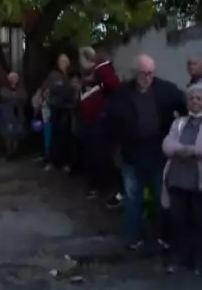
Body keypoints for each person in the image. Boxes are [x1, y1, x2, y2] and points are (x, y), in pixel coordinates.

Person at [108, 54, 187, 251]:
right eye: (143, 73)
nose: (147, 77)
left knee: (161, 198)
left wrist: (179, 133)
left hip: (158, 153)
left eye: (150, 73)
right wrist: (116, 145)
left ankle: (162, 236)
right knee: (133, 198)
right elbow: (110, 120)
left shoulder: (165, 89)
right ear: (135, 73)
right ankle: (134, 237)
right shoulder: (122, 93)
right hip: (132, 154)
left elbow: (185, 107)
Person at [161, 82, 202, 271]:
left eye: (199, 98)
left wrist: (191, 151)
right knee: (178, 219)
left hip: (201, 181)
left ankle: (200, 260)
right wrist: (182, 150)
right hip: (178, 178)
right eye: (191, 98)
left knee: (201, 221)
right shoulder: (179, 122)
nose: (194, 102)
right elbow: (167, 144)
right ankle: (180, 258)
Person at [78, 46, 120, 198]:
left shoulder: (103, 71)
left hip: (99, 121)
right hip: (90, 119)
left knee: (100, 154)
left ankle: (103, 186)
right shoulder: (92, 74)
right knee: (93, 153)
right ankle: (97, 184)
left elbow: (114, 87)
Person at [45, 54, 80, 173]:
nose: (64, 64)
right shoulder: (54, 75)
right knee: (56, 136)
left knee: (67, 137)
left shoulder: (70, 75)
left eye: (66, 61)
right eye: (62, 61)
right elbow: (55, 89)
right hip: (57, 109)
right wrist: (69, 87)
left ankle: (65, 162)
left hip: (68, 109)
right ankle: (53, 162)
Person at [0, 72, 27, 159]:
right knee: (8, 134)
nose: (14, 79)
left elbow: (24, 97)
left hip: (18, 114)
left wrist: (13, 98)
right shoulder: (4, 89)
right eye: (13, 78)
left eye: (16, 78)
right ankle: (8, 152)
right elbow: (5, 96)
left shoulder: (21, 89)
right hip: (8, 114)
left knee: (17, 134)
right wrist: (15, 97)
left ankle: (15, 151)